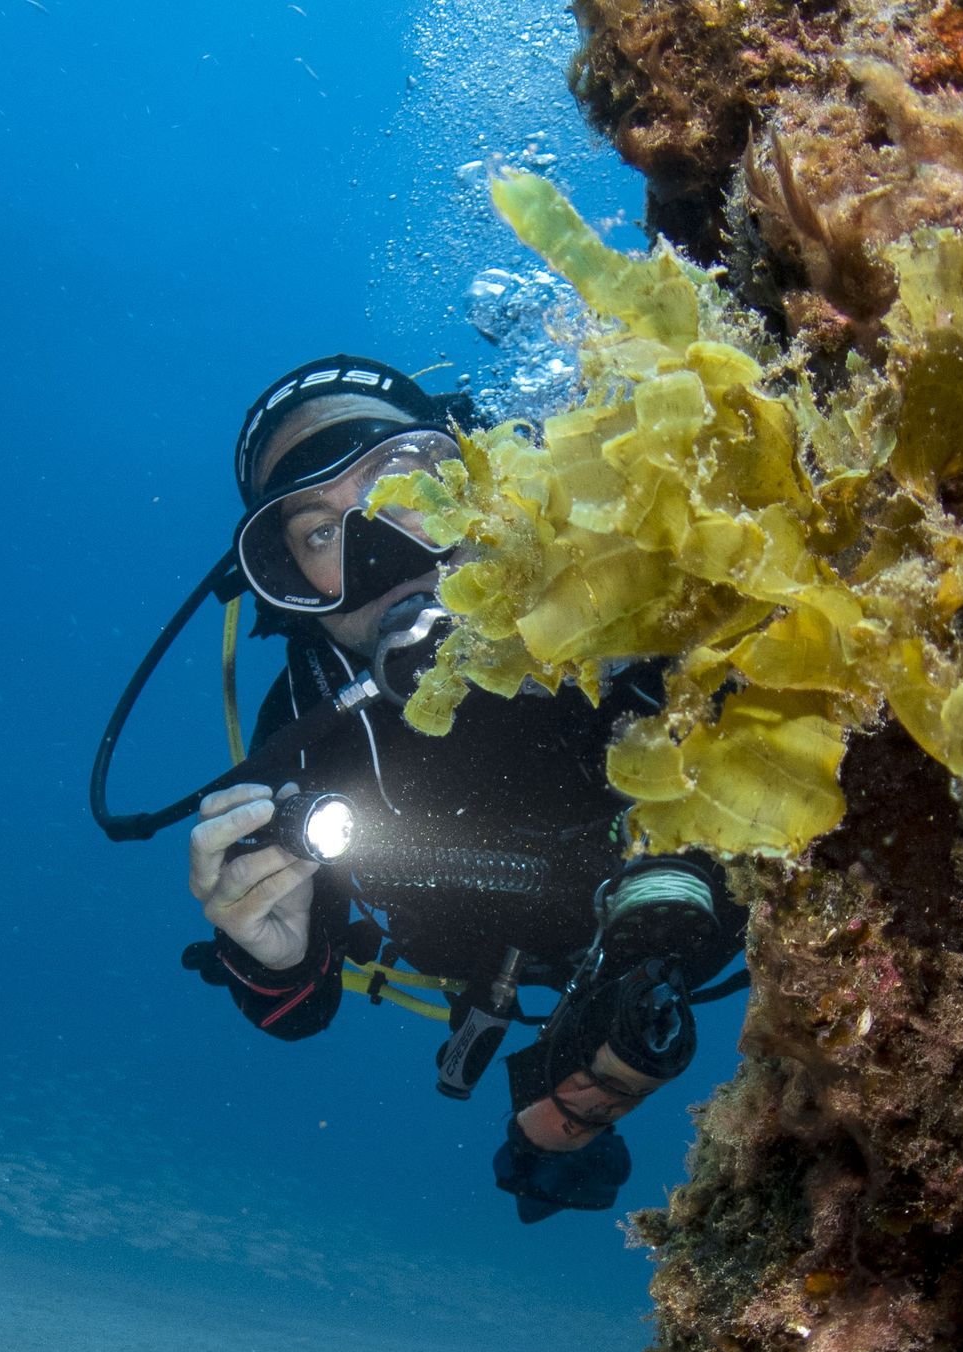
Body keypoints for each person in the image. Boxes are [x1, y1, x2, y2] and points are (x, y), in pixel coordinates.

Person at [182, 355, 745, 1222]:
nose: (375, 552)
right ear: (289, 583)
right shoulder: (307, 725)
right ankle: (555, 1134)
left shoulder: (628, 598)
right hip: (485, 963)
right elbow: (298, 1011)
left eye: (397, 484)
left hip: (696, 919)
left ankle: (568, 1115)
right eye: (321, 534)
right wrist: (271, 953)